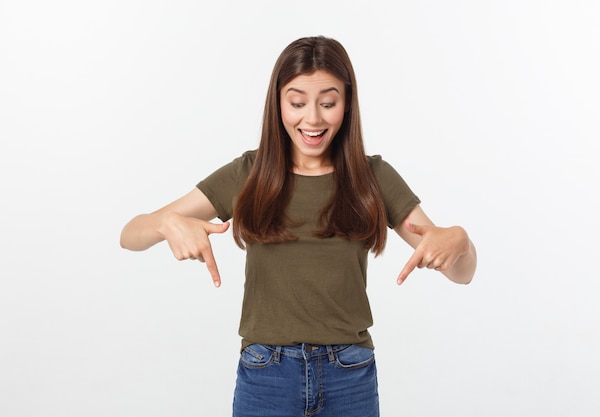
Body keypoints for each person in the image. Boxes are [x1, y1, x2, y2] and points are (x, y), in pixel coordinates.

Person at [120, 35, 476, 417]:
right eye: (297, 103)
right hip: (266, 374)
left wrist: (459, 241)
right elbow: (130, 235)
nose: (313, 119)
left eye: (327, 103)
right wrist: (168, 224)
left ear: (347, 103)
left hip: (349, 374)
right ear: (278, 104)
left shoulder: (373, 177)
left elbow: (462, 273)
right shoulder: (249, 174)